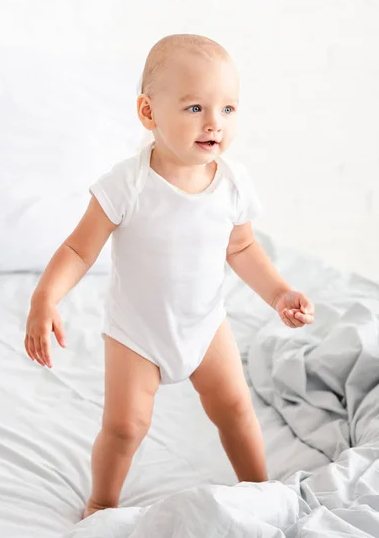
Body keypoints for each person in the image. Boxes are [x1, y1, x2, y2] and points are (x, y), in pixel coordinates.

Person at [24, 34, 315, 520]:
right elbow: (78, 248)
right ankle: (102, 502)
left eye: (227, 109)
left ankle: (260, 489)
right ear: (148, 112)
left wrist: (280, 293)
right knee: (125, 427)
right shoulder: (128, 183)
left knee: (236, 411)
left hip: (205, 326)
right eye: (195, 107)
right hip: (137, 332)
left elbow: (241, 248)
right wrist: (45, 297)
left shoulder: (232, 183)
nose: (213, 124)